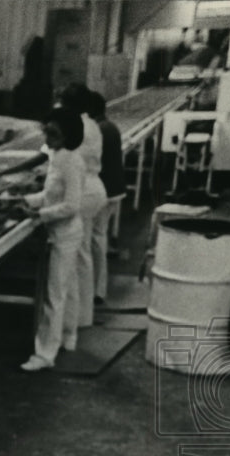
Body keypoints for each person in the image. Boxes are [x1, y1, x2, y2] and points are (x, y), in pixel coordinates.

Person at [20, 108, 85, 372]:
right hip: (59, 232)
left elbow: (71, 205)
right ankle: (68, 338)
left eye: (53, 133)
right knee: (64, 288)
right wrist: (25, 199)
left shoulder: (72, 161)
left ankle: (45, 354)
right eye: (47, 131)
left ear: (67, 135)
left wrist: (39, 214)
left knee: (54, 295)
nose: (47, 137)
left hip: (65, 233)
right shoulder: (58, 156)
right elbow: (51, 194)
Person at [59, 83, 107, 328]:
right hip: (93, 187)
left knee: (73, 255)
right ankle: (82, 316)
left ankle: (72, 319)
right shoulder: (91, 124)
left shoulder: (77, 126)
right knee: (83, 253)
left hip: (83, 191)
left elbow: (56, 156)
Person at [87, 90, 126, 305]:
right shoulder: (110, 126)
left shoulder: (99, 130)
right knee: (99, 238)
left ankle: (96, 291)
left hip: (105, 192)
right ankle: (97, 288)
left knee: (96, 239)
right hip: (114, 189)